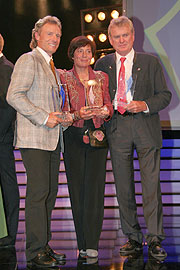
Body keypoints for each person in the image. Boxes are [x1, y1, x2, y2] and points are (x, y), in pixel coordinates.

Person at [94, 16, 172, 261]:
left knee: (151, 188)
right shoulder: (103, 64)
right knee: (123, 188)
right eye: (116, 37)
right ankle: (133, 237)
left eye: (125, 35)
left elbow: (165, 96)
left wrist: (145, 104)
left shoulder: (150, 62)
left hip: (145, 129)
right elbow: (97, 97)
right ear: (111, 38)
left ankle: (156, 239)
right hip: (117, 130)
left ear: (133, 35)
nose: (121, 40)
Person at [7, 16, 73, 268]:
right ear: (37, 36)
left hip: (53, 139)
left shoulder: (52, 66)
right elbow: (14, 95)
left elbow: (53, 107)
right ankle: (35, 251)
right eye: (49, 34)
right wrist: (45, 117)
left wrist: (65, 118)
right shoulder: (28, 59)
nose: (55, 39)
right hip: (34, 138)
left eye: (57, 35)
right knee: (38, 194)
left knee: (48, 194)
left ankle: (43, 244)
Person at [59, 36, 113, 258]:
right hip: (73, 135)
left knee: (95, 191)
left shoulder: (101, 77)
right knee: (77, 190)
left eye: (87, 51)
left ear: (92, 55)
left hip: (97, 135)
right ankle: (81, 242)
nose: (84, 55)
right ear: (72, 54)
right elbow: (60, 107)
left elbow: (109, 103)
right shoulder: (63, 76)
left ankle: (92, 243)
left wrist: (105, 111)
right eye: (79, 51)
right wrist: (75, 115)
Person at [0, 33, 19, 248]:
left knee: (7, 186)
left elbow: (7, 107)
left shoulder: (5, 68)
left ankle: (9, 234)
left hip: (1, 139)